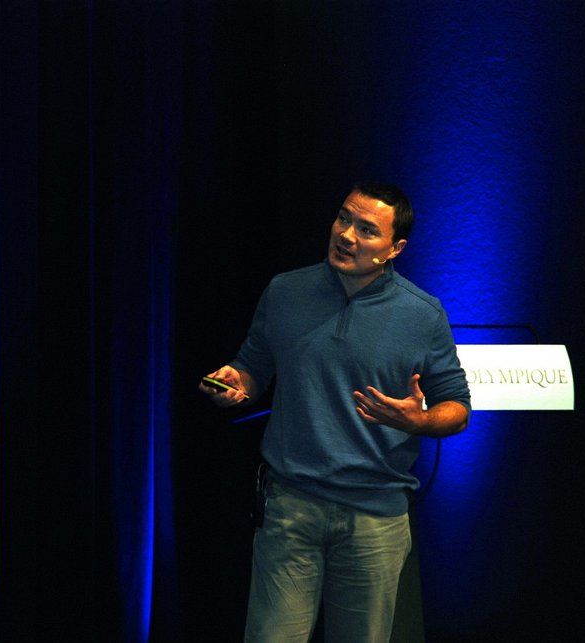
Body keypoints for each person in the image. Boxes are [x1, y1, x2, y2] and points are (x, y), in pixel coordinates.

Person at [199, 181, 471, 642]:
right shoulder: (286, 291)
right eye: (344, 218)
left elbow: (457, 408)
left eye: (367, 230)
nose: (346, 235)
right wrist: (237, 382)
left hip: (375, 520)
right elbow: (253, 366)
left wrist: (418, 420)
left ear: (395, 248)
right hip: (291, 507)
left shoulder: (423, 314)